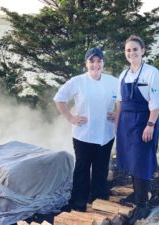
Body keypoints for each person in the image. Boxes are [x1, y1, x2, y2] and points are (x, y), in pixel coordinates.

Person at [53, 47, 118, 212]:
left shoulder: (112, 81)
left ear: (103, 62)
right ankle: (79, 204)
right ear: (86, 63)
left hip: (106, 134)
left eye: (99, 61)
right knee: (82, 169)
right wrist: (70, 117)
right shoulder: (77, 81)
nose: (95, 64)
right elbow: (59, 99)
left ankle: (99, 201)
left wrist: (118, 112)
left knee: (101, 168)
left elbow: (122, 99)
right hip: (83, 135)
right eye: (92, 61)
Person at [115, 35, 159, 223]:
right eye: (128, 50)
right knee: (130, 160)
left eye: (135, 49)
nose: (131, 53)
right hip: (126, 123)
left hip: (145, 121)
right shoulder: (123, 74)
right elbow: (119, 102)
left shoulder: (152, 73)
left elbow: (156, 103)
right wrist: (117, 126)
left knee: (141, 160)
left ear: (143, 51)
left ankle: (143, 205)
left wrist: (150, 125)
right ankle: (137, 195)